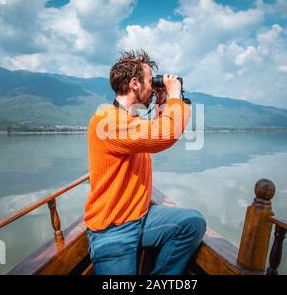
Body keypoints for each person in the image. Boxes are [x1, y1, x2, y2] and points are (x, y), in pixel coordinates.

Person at [84, 50, 206, 275]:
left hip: (140, 216)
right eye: (151, 82)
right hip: (113, 229)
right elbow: (166, 134)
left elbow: (154, 131)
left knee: (192, 223)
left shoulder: (131, 120)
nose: (154, 86)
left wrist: (161, 101)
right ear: (134, 84)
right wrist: (175, 96)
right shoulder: (107, 120)